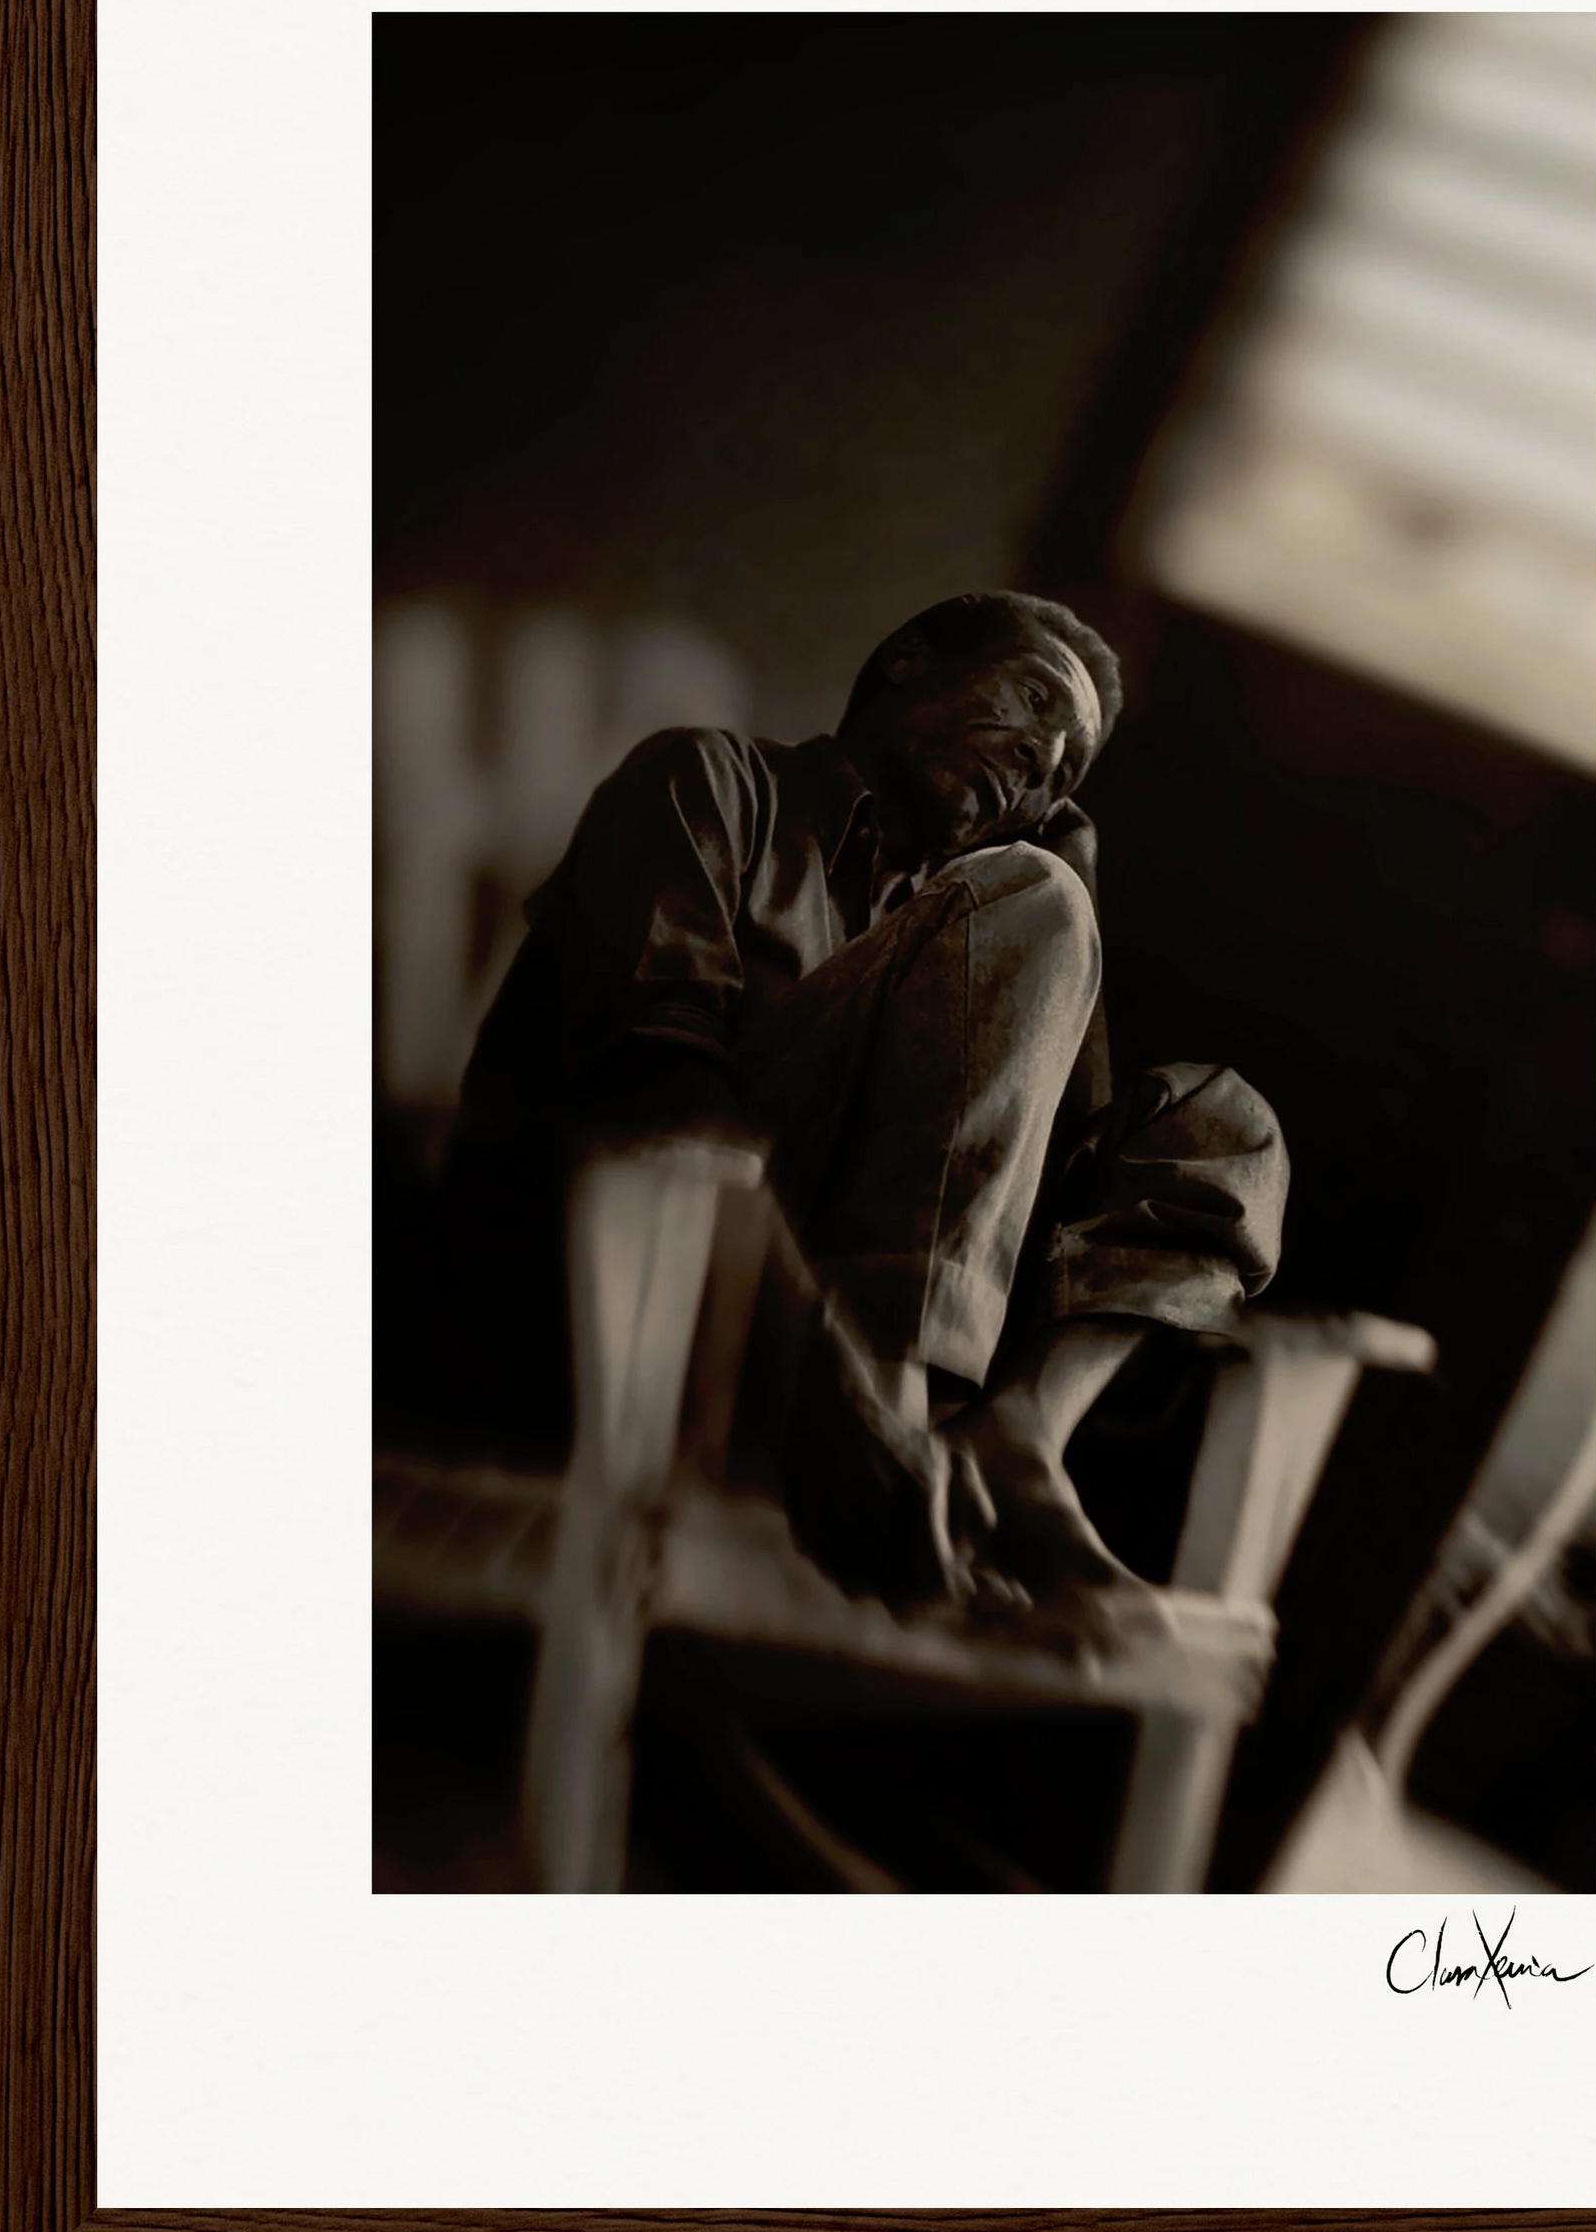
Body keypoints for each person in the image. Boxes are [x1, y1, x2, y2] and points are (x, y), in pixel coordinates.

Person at [431, 590, 1289, 1644]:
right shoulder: (710, 781)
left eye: (1065, 771)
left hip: (819, 1341)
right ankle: (891, 1400)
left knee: (1223, 1122)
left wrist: (1072, 902)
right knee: (1026, 903)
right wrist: (841, 1395)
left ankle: (1018, 1434)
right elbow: (656, 1096)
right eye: (1033, 699)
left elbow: (1050, 1196)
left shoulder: (983, 918)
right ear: (907, 662)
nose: (1041, 755)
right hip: (605, 1287)